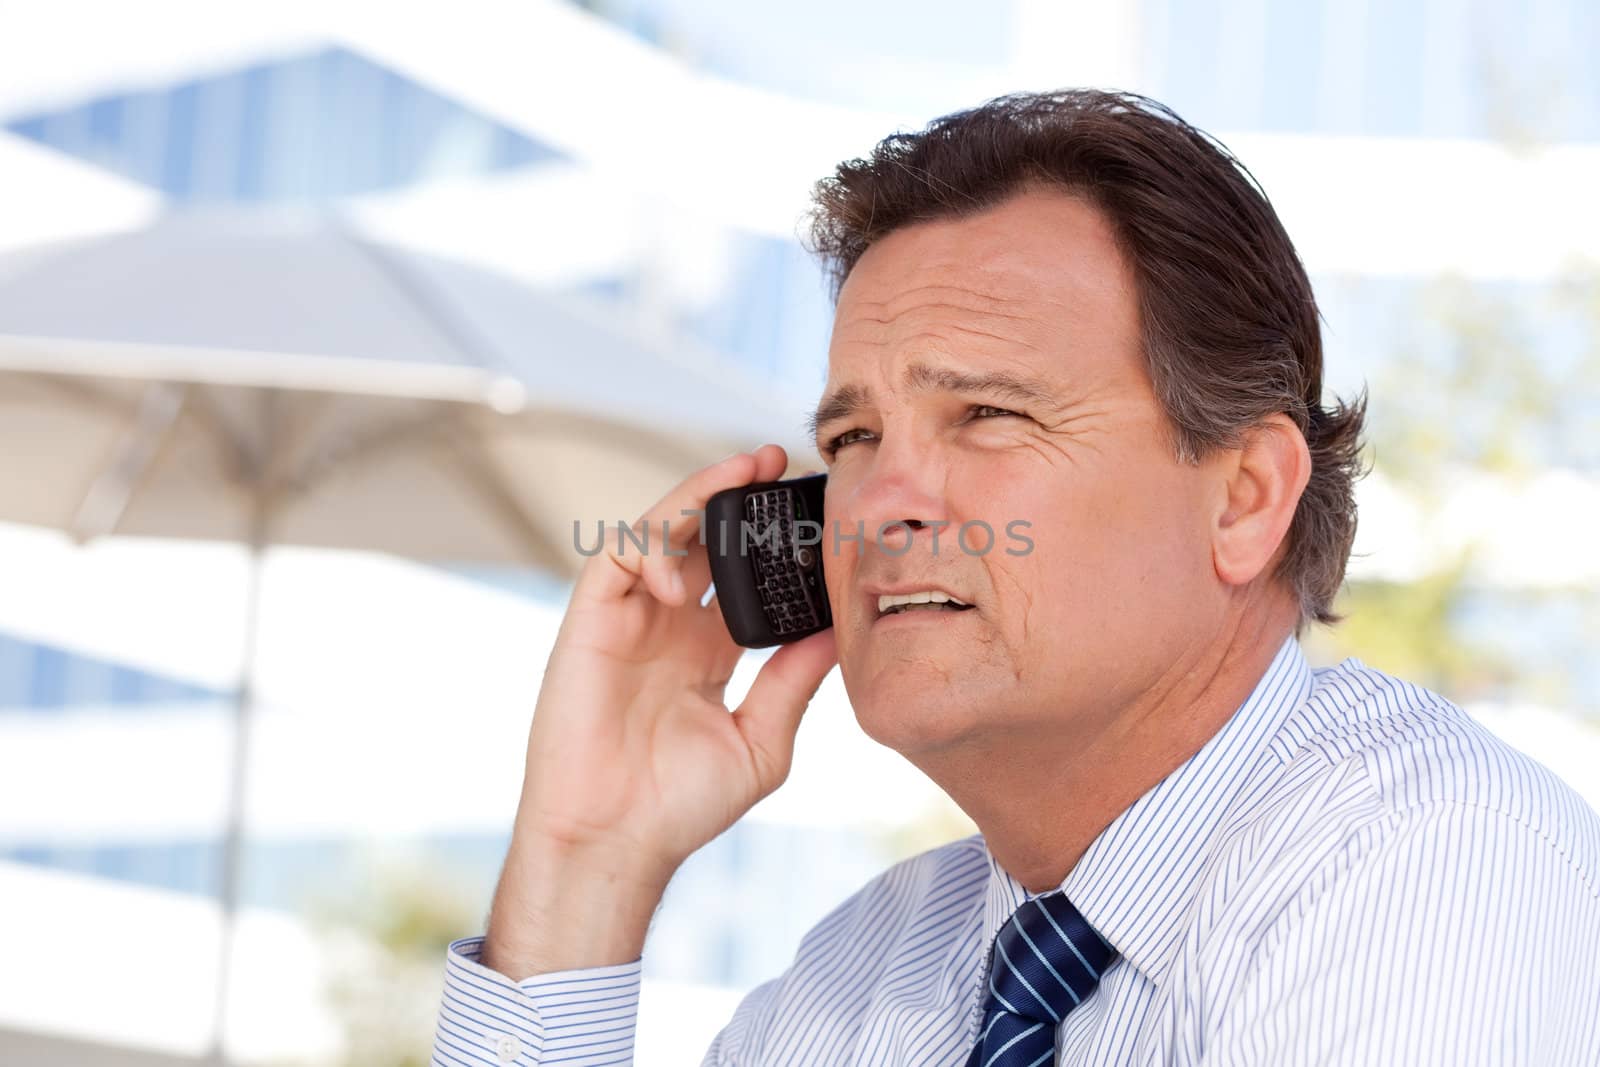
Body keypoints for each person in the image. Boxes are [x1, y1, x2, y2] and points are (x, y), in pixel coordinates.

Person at [429, 90, 1600, 1066]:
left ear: (1242, 497)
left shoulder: (1433, 866)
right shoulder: (855, 980)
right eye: (849, 441)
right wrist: (587, 864)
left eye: (987, 413)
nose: (881, 500)